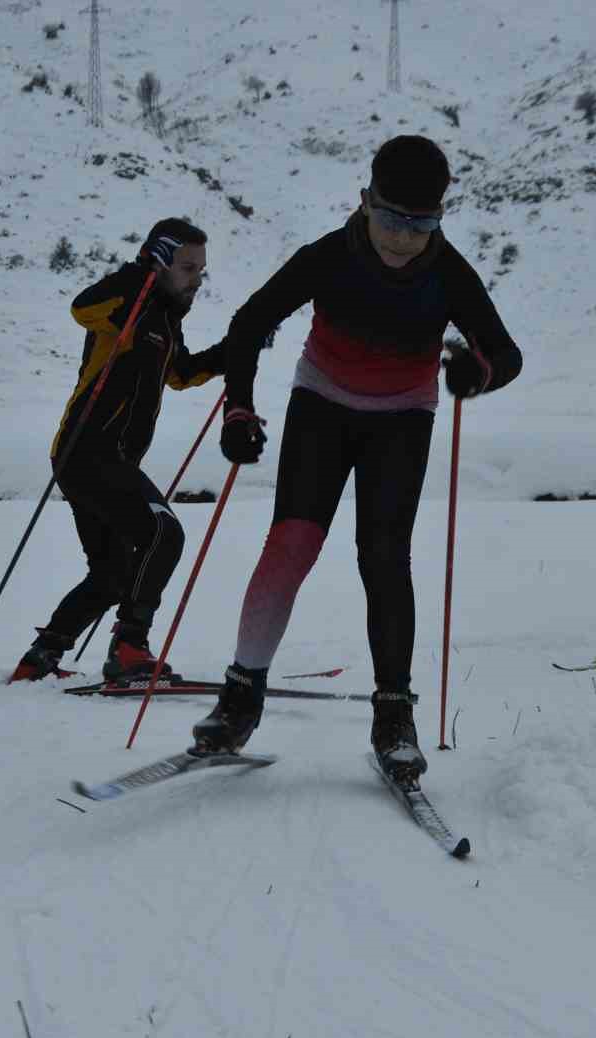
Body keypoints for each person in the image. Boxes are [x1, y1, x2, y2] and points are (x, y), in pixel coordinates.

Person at [186, 135, 523, 782]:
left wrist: (477, 374)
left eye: (421, 223)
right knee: (290, 544)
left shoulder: (449, 272)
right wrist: (239, 407)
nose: (403, 236)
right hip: (323, 405)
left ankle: (394, 712)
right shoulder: (328, 257)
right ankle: (240, 695)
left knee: (384, 555)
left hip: (403, 418)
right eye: (392, 217)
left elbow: (506, 355)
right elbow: (251, 323)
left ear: (439, 218)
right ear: (364, 200)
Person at [10, 219, 225, 683]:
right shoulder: (126, 306)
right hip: (88, 450)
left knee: (112, 573)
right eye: (188, 267)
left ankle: (40, 657)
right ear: (161, 260)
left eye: (201, 270)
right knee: (163, 533)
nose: (197, 279)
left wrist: (233, 353)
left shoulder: (164, 321)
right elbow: (81, 307)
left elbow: (181, 374)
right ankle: (130, 648)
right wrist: (140, 277)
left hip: (112, 460)